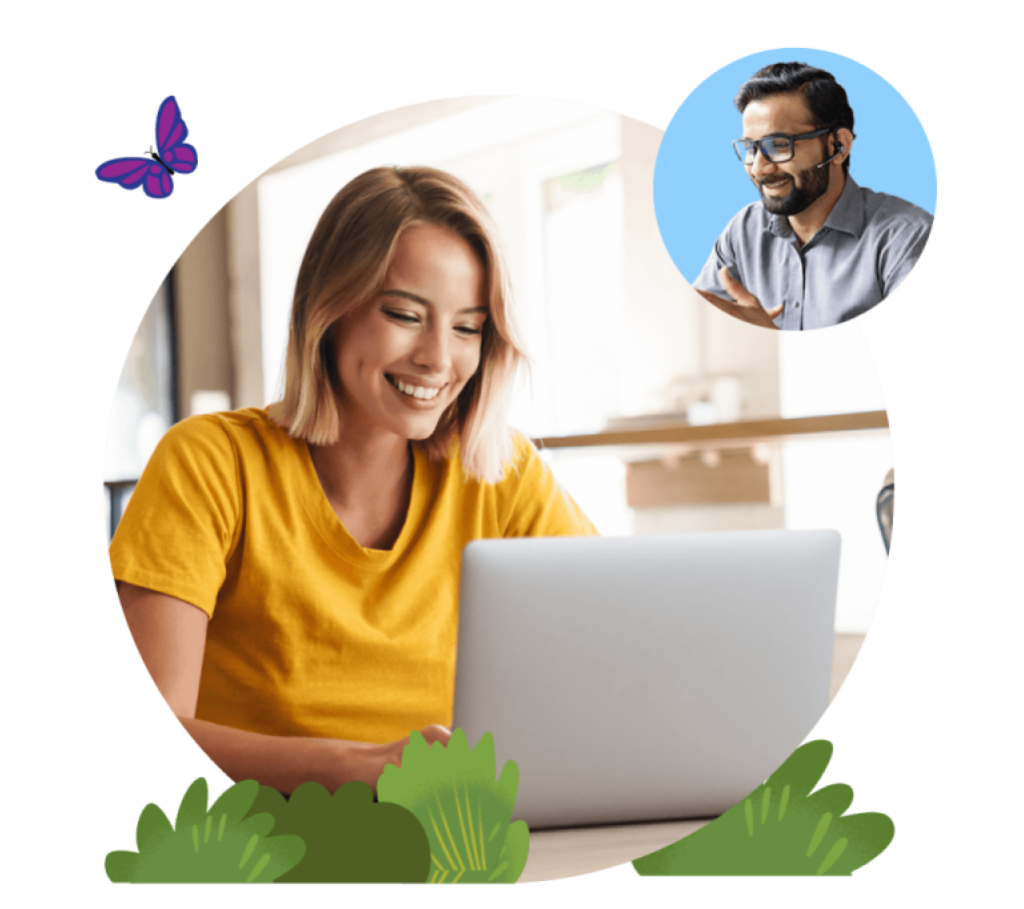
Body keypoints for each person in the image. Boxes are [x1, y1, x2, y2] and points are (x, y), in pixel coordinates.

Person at [109, 166, 598, 799]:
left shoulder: (502, 473)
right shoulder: (210, 462)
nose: (438, 359)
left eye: (468, 327)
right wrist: (354, 768)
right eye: (404, 314)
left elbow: (614, 651)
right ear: (328, 310)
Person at [692, 62, 935, 330]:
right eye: (750, 147)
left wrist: (773, 343)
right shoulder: (744, 231)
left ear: (838, 146)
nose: (759, 167)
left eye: (779, 145)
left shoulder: (906, 238)